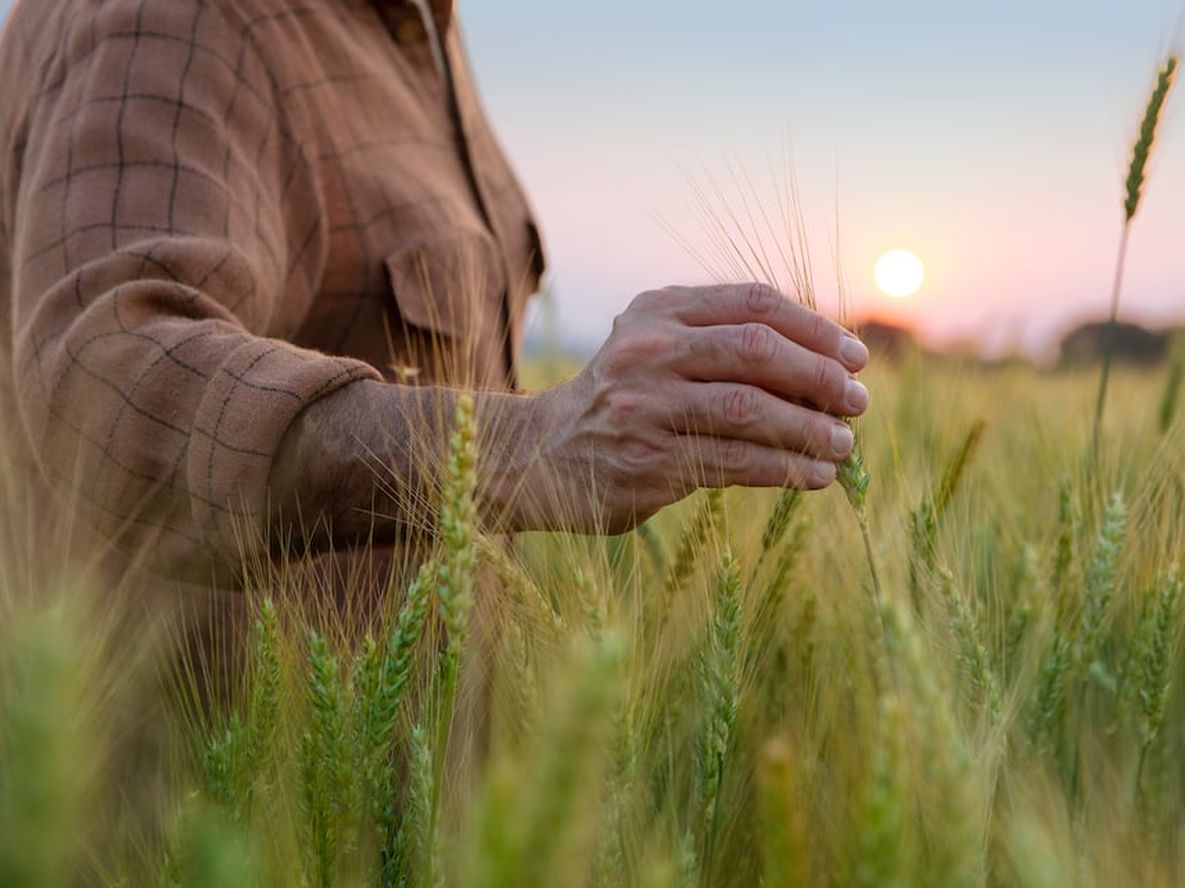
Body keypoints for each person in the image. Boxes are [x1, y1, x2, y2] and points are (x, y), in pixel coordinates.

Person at [0, 0, 869, 635]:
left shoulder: (422, 30)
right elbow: (106, 389)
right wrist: (526, 447)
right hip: (217, 836)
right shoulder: (177, 18)